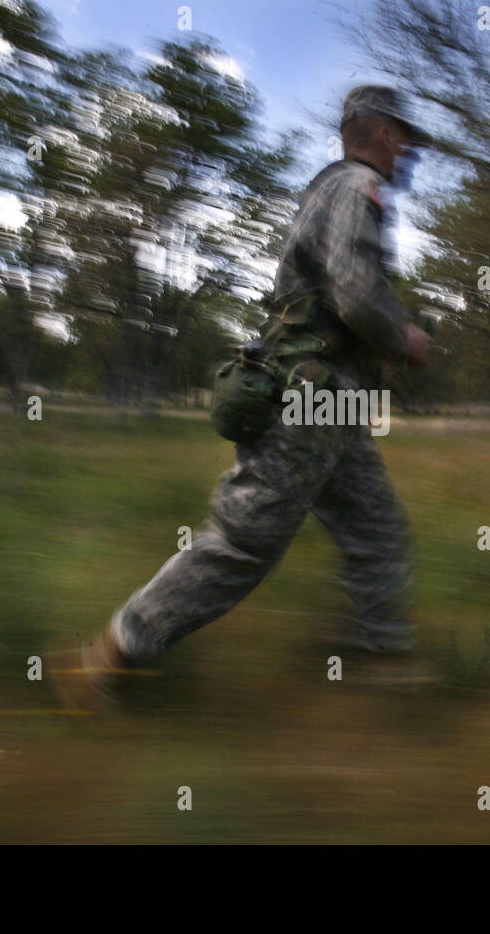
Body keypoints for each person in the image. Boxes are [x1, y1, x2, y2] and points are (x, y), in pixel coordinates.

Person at [53, 86, 437, 708]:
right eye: (407, 141)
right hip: (311, 399)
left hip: (332, 405)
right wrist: (404, 337)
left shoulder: (331, 188)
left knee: (376, 526)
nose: (409, 157)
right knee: (245, 540)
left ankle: (383, 657)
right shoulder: (353, 187)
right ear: (385, 133)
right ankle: (119, 652)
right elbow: (354, 291)